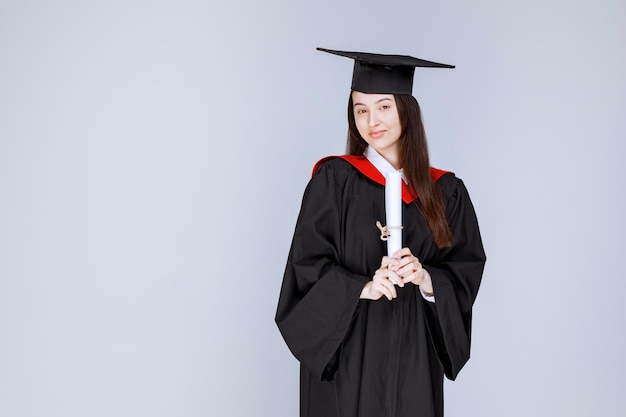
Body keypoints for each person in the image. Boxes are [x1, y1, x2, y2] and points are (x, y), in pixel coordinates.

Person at [275, 47, 486, 417]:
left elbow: (464, 271)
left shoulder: (446, 192)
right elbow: (304, 269)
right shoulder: (334, 183)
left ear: (407, 109)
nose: (372, 120)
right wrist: (362, 287)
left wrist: (426, 278)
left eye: (384, 106)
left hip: (415, 363)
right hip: (349, 360)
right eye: (361, 109)